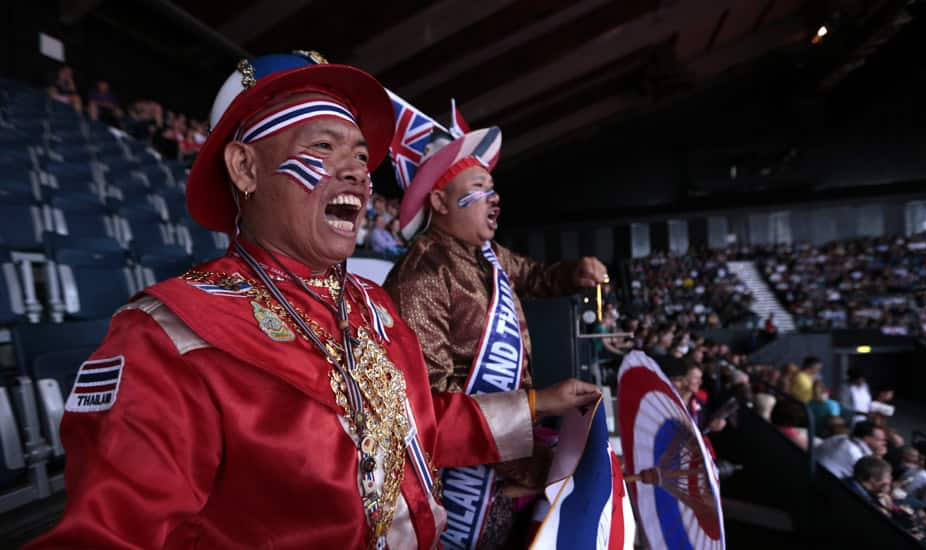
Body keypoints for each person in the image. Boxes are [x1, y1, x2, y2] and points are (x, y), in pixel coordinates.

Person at [26, 51, 599, 550]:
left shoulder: (372, 306)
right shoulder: (168, 338)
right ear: (245, 167)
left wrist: (538, 404)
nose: (356, 171)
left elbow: (414, 430)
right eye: (324, 147)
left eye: (359, 155)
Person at [383, 124, 608, 546]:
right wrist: (538, 406)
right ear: (439, 201)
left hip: (505, 465)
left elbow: (534, 275)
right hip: (461, 490)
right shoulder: (422, 274)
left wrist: (572, 273)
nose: (495, 196)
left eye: (493, 187)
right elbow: (427, 409)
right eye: (481, 187)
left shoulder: (485, 255)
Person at [816, 420, 887, 478]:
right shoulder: (858, 457)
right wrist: (877, 457)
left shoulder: (840, 437)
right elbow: (870, 480)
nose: (884, 443)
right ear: (867, 439)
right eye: (881, 440)